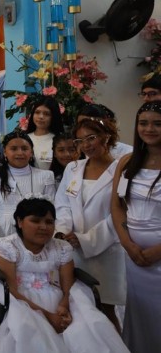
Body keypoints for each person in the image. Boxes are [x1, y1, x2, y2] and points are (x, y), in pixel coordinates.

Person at [0, 198, 129, 353]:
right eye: (35, 221)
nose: (43, 227)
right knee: (28, 331)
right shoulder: (7, 247)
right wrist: (48, 317)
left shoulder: (61, 248)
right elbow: (12, 290)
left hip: (58, 298)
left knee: (88, 327)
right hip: (20, 301)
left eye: (49, 222)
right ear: (20, 222)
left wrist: (63, 307)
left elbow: (67, 287)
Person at [54, 118, 125, 331]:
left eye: (91, 138)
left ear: (106, 137)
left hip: (107, 251)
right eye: (80, 140)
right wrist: (62, 231)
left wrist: (85, 239)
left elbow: (120, 214)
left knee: (105, 309)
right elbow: (63, 204)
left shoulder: (121, 170)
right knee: (76, 307)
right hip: (73, 250)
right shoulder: (73, 168)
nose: (85, 145)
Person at [111, 102, 161, 353]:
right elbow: (117, 206)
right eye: (143, 123)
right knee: (139, 314)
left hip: (158, 255)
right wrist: (127, 244)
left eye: (157, 124)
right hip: (133, 257)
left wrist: (156, 251)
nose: (149, 129)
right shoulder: (127, 162)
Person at [0, 130, 56, 240]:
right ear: (5, 152)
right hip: (4, 231)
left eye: (24, 149)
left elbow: (52, 207)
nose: (20, 153)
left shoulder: (46, 176)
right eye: (13, 149)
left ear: (31, 152)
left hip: (37, 229)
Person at [26, 97, 65, 170]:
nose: (41, 117)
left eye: (46, 114)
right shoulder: (24, 139)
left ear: (53, 116)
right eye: (37, 112)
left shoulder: (59, 140)